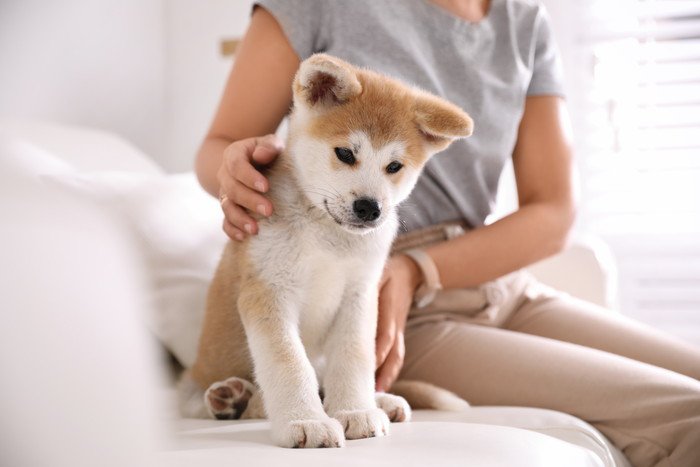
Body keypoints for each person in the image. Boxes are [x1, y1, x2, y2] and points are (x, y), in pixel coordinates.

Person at [194, 1, 700, 465]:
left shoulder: (523, 22)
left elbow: (555, 211)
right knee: (688, 415)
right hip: (401, 301)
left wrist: (425, 268)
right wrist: (235, 170)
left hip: (499, 282)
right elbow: (221, 145)